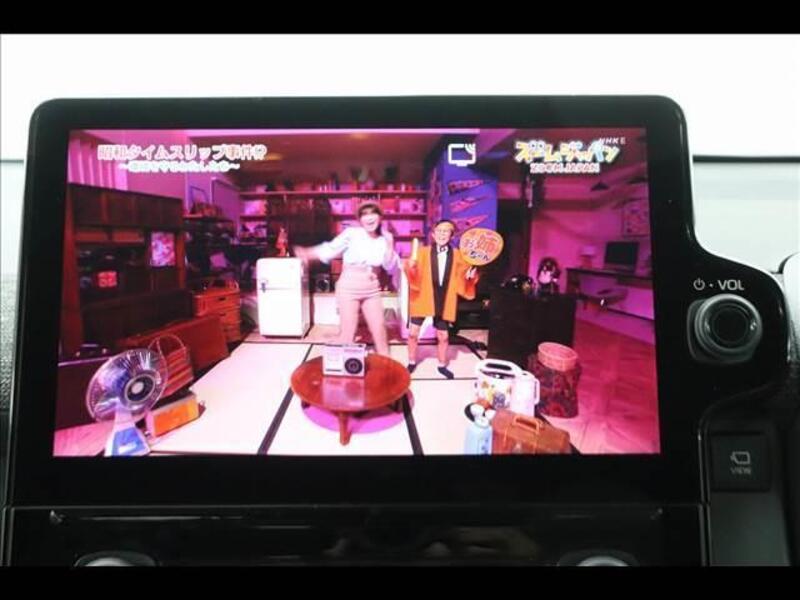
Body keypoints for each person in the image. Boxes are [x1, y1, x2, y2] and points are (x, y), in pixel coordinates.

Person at [294, 202, 398, 356]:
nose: (369, 218)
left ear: (380, 217)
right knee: (348, 335)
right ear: (360, 219)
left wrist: (390, 244)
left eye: (373, 213)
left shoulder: (384, 240)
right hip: (348, 288)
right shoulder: (352, 234)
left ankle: (386, 363)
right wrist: (308, 253)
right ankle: (341, 364)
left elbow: (389, 266)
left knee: (380, 330)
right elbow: (330, 249)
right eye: (364, 214)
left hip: (372, 289)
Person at [403, 219, 479, 379]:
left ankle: (442, 364)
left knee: (443, 336)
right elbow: (412, 273)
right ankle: (411, 361)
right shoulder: (422, 252)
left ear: (452, 235)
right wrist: (410, 266)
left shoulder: (458, 255)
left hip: (444, 299)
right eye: (439, 231)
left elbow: (465, 276)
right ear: (433, 234)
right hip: (423, 297)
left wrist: (470, 275)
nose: (442, 234)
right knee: (413, 334)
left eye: (446, 231)